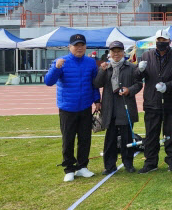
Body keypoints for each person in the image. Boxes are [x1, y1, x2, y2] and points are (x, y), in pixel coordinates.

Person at [44, 34, 101, 182]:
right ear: (70, 47)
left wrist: (97, 100)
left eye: (82, 45)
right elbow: (49, 82)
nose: (79, 48)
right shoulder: (60, 61)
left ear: (85, 46)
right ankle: (69, 169)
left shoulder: (90, 63)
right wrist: (56, 68)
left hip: (85, 107)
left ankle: (82, 167)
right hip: (67, 108)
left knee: (85, 139)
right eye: (76, 45)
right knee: (68, 139)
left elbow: (94, 84)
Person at [136, 29, 172, 173]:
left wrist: (167, 86)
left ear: (169, 42)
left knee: (171, 133)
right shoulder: (146, 55)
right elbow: (138, 77)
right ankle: (150, 162)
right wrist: (139, 70)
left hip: (170, 101)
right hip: (151, 101)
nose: (161, 43)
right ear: (155, 41)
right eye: (159, 40)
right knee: (151, 134)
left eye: (164, 40)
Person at [93, 41, 143, 175]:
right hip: (110, 107)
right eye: (113, 51)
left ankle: (128, 164)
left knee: (127, 137)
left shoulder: (131, 67)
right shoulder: (105, 67)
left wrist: (129, 90)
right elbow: (97, 83)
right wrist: (102, 71)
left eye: (119, 51)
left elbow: (138, 84)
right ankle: (109, 166)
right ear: (109, 53)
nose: (116, 54)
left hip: (125, 105)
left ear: (123, 52)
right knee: (110, 139)